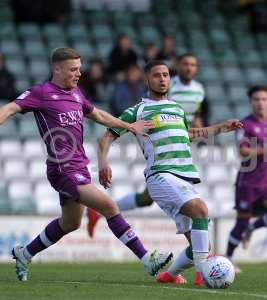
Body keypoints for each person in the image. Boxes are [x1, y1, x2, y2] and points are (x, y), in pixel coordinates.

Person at [0, 48, 172, 282]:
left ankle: (25, 253)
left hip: (80, 167)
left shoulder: (76, 93)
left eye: (79, 68)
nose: (79, 73)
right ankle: (147, 259)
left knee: (70, 223)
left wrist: (130, 126)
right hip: (62, 170)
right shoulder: (41, 93)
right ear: (57, 69)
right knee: (109, 206)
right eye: (73, 69)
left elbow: (99, 115)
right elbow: (11, 107)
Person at [95, 60, 241, 286]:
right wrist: (103, 163)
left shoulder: (176, 108)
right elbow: (106, 138)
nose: (162, 78)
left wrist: (221, 127)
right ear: (147, 79)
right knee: (200, 209)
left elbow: (189, 133)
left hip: (184, 176)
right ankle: (204, 274)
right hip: (160, 175)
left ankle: (169, 275)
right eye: (156, 75)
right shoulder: (138, 110)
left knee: (200, 246)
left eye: (165, 74)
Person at [87, 54, 208, 235]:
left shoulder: (199, 90)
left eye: (193, 64)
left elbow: (192, 115)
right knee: (191, 211)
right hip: (161, 151)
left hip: (177, 145)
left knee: (146, 199)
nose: (189, 68)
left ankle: (100, 210)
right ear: (179, 67)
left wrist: (199, 126)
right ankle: (204, 255)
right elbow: (154, 107)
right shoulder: (169, 86)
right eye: (185, 64)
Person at [225, 85, 267, 270]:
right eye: (256, 99)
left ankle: (253, 228)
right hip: (248, 181)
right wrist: (266, 151)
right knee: (241, 221)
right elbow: (242, 151)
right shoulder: (245, 124)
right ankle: (228, 258)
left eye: (263, 99)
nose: (260, 103)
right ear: (251, 102)